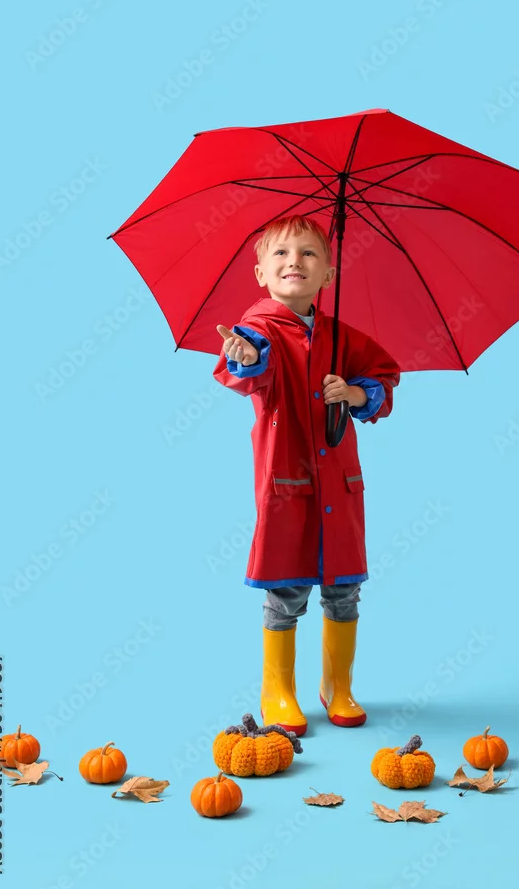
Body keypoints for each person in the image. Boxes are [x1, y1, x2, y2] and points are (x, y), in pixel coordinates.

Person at [212, 214, 400, 736]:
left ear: (329, 274)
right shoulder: (258, 331)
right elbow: (247, 368)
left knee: (344, 589)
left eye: (309, 253)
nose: (294, 261)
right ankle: (277, 692)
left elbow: (385, 378)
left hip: (339, 483)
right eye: (281, 253)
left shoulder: (343, 337)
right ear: (260, 274)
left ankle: (338, 686)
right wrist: (247, 357)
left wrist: (355, 393)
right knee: (287, 589)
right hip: (287, 483)